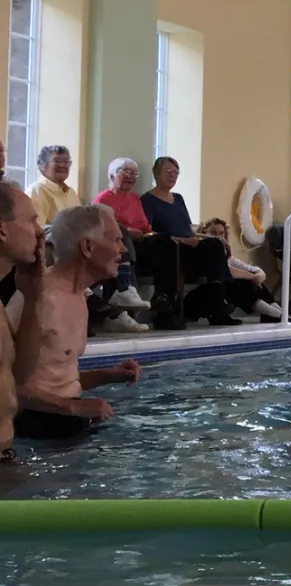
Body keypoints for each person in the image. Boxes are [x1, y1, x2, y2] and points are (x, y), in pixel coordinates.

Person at [10, 205, 141, 439]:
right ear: (87, 247)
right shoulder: (40, 299)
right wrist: (75, 407)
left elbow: (54, 378)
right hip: (34, 428)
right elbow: (6, 385)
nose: (122, 249)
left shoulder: (78, 294)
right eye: (116, 240)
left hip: (61, 418)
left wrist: (108, 375)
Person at [137, 157, 240, 326]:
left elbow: (189, 229)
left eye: (176, 172)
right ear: (156, 174)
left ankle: (217, 305)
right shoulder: (148, 200)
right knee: (168, 247)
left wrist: (216, 239)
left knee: (214, 245)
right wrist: (182, 240)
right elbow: (149, 233)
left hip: (189, 249)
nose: (173, 175)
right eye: (168, 171)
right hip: (169, 249)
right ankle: (166, 308)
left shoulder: (178, 199)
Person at [0, 181, 42, 458]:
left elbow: (19, 376)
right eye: (31, 220)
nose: (39, 232)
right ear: (2, 229)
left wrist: (33, 297)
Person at [88, 158, 154, 331]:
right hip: (110, 245)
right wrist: (128, 232)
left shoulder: (134, 198)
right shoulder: (102, 199)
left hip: (136, 243)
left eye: (134, 173)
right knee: (121, 231)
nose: (130, 176)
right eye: (124, 172)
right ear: (111, 175)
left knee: (163, 243)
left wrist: (143, 234)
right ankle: (124, 289)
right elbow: (99, 228)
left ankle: (162, 304)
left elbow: (145, 227)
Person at [198, 218, 284, 321]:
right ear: (204, 233)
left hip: (227, 292)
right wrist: (252, 276)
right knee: (242, 282)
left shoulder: (228, 257)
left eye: (221, 233)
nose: (217, 236)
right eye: (213, 232)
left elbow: (254, 269)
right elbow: (227, 272)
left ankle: (275, 309)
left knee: (249, 280)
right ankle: (273, 313)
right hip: (209, 293)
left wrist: (259, 275)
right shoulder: (203, 254)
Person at [26, 145, 80, 226]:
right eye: (57, 161)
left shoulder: (71, 192)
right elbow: (37, 229)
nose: (62, 165)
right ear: (44, 165)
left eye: (66, 161)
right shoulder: (37, 191)